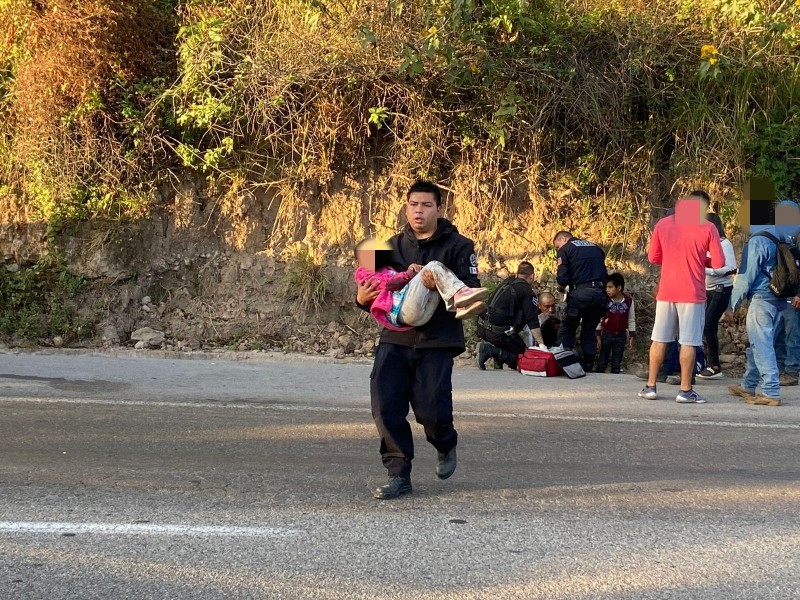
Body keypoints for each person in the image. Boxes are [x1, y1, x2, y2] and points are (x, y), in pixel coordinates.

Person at [356, 180, 479, 499]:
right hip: (394, 339)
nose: (419, 211)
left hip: (436, 340)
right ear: (406, 207)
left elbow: (471, 289)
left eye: (426, 205)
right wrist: (360, 298)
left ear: (439, 209)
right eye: (413, 204)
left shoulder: (459, 246)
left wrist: (434, 282)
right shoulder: (387, 247)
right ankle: (399, 474)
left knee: (431, 410)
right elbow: (370, 289)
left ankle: (445, 442)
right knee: (385, 407)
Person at [639, 192, 724, 403]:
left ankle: (650, 387)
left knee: (659, 339)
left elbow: (653, 257)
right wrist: (700, 259)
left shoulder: (663, 224)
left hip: (666, 291)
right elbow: (719, 263)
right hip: (692, 293)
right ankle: (685, 391)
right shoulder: (708, 227)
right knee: (689, 341)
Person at [725, 200, 800, 406]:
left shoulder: (757, 240)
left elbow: (745, 277)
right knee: (761, 344)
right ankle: (748, 385)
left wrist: (732, 305)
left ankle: (771, 392)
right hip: (781, 299)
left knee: (762, 345)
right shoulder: (786, 238)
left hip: (761, 299)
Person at [353, 241, 489, 330]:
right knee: (433, 266)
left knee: (432, 274)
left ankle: (460, 305)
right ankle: (460, 296)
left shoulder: (457, 241)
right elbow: (389, 283)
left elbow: (398, 282)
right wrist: (409, 273)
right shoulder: (364, 271)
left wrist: (413, 272)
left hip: (419, 317)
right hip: (401, 311)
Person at [552, 231, 608, 371]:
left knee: (568, 327)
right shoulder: (596, 248)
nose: (558, 249)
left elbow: (563, 277)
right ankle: (589, 364)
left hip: (580, 294)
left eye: (557, 246)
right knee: (589, 330)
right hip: (600, 295)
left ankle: (564, 362)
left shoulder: (566, 249)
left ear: (563, 239)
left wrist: (560, 287)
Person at [475, 261, 544, 371]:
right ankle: (492, 351)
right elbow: (532, 319)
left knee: (511, 340)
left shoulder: (507, 282)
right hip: (497, 333)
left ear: (517, 274)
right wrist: (542, 345)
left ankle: (497, 360)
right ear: (532, 276)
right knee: (523, 358)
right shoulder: (527, 291)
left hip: (482, 326)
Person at [697, 212, 737, 379]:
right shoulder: (705, 243)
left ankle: (715, 365)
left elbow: (731, 268)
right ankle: (709, 363)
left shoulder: (723, 243)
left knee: (708, 324)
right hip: (708, 289)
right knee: (708, 326)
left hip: (721, 288)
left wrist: (707, 270)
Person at [595, 273, 636, 374]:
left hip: (620, 337)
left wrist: (631, 335)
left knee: (617, 362)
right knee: (602, 360)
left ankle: (614, 381)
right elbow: (600, 318)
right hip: (607, 334)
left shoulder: (629, 302)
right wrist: (598, 335)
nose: (607, 290)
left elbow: (631, 319)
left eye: (610, 287)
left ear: (619, 288)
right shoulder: (606, 301)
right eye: (606, 287)